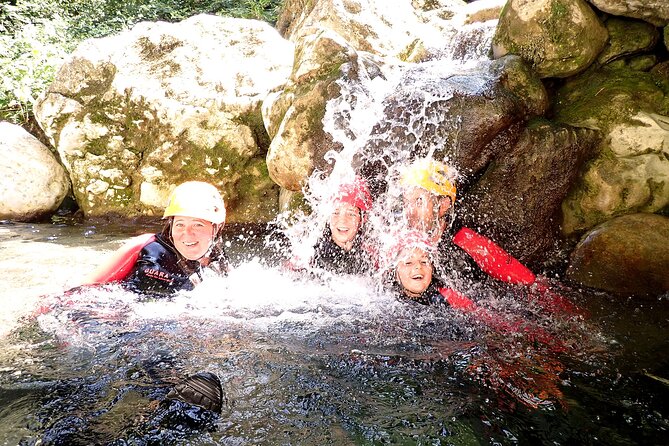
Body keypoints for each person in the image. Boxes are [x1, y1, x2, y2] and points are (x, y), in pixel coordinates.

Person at [398, 158, 583, 316]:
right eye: (407, 202)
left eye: (419, 201)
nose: (410, 211)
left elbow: (528, 281)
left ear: (444, 205)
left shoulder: (465, 242)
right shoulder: (394, 241)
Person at [385, 230, 567, 352]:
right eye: (408, 262)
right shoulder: (382, 300)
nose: (418, 268)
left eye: (424, 262)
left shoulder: (446, 296)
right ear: (394, 272)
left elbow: (487, 318)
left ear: (433, 269)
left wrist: (536, 336)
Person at [81, 181, 229, 297]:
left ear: (217, 227)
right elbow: (86, 287)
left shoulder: (218, 261)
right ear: (170, 225)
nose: (187, 233)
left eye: (198, 225)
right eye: (179, 224)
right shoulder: (144, 246)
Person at [310, 176, 377, 275]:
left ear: (362, 220)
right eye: (335, 213)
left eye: (351, 214)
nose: (342, 221)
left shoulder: (372, 256)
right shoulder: (309, 254)